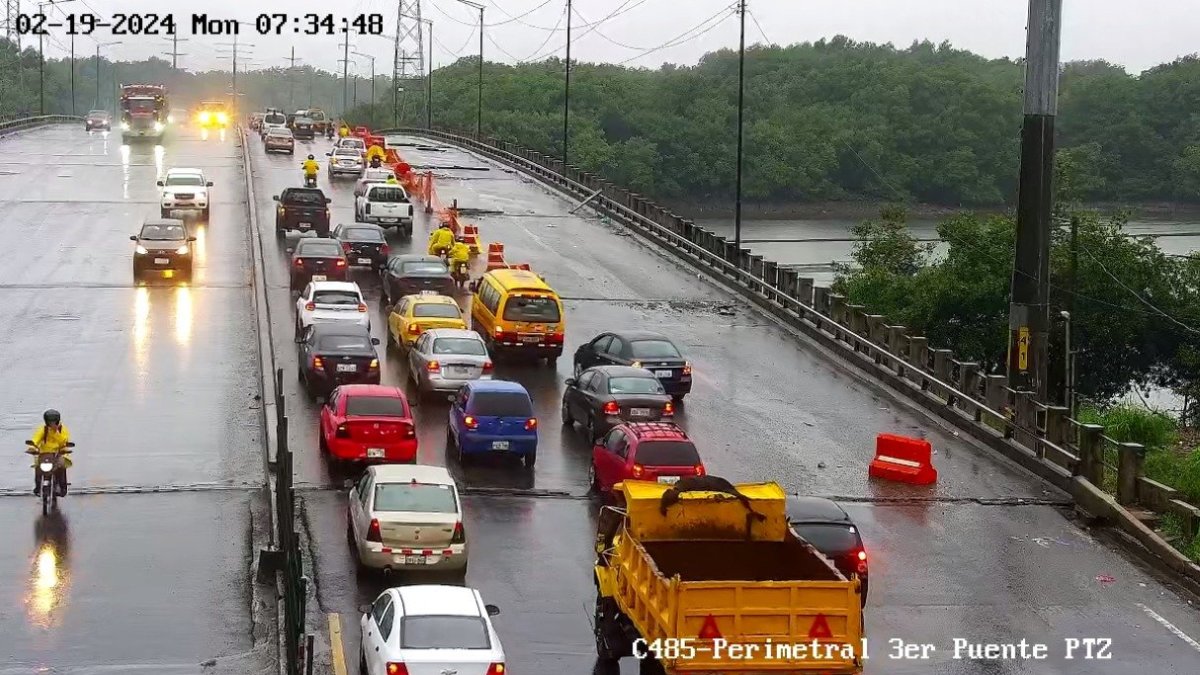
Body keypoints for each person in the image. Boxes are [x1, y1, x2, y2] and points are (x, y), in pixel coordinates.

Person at [27, 409, 72, 497]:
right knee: (38, 466)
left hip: (59, 452)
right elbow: (35, 439)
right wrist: (32, 447)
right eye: (50, 422)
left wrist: (56, 432)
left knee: (61, 464)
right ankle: (38, 487)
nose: (52, 423)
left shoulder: (63, 429)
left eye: (54, 421)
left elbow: (63, 442)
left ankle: (62, 487)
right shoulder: (43, 429)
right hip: (45, 453)